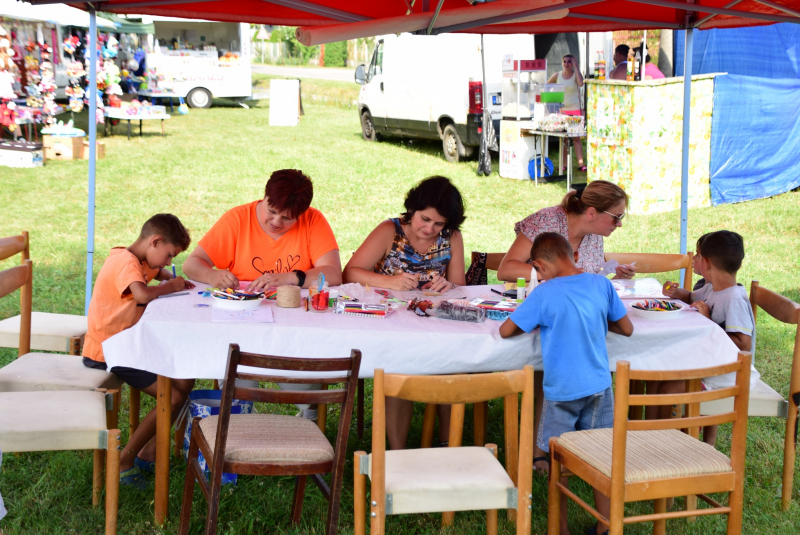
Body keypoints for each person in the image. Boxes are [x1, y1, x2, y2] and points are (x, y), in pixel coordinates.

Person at [497, 180, 635, 475]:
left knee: (557, 376)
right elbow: (506, 269)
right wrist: (554, 276)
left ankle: (566, 456)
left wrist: (611, 268)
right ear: (592, 212)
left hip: (557, 319)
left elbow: (588, 273)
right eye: (616, 217)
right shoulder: (547, 221)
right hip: (540, 310)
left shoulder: (595, 236)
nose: (619, 224)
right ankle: (545, 454)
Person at [500, 233, 633, 535]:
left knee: (556, 461)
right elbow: (626, 328)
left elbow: (507, 330)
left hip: (561, 391)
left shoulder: (544, 294)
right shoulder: (602, 284)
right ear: (573, 254)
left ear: (538, 266)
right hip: (600, 385)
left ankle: (558, 528)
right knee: (601, 457)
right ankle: (607, 525)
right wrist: (593, 317)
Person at [343, 176, 466, 449]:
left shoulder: (452, 237)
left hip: (432, 322)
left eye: (439, 224)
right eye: (425, 219)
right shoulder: (390, 230)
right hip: (390, 322)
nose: (430, 228)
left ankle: (448, 443)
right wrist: (390, 281)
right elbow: (350, 272)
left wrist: (447, 285)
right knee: (397, 367)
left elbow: (460, 286)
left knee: (452, 363)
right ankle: (397, 451)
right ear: (413, 209)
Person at [82, 214, 196, 487]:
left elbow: (159, 272)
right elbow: (143, 294)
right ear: (155, 241)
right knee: (172, 395)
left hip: (130, 344)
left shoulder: (143, 260)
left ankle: (149, 453)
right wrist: (171, 286)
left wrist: (168, 275)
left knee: (185, 376)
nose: (169, 262)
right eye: (169, 255)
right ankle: (124, 460)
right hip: (110, 350)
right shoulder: (126, 262)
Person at [662, 230, 755, 446]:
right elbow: (691, 297)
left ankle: (676, 446)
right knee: (663, 379)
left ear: (706, 262)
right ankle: (656, 440)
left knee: (668, 388)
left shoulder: (734, 298)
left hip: (728, 376)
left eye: (698, 256)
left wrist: (708, 321)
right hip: (711, 364)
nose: (694, 259)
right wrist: (676, 293)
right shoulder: (713, 288)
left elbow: (744, 344)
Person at [183, 169, 342, 291]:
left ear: (302, 214)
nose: (276, 222)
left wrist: (290, 278)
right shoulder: (237, 219)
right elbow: (191, 264)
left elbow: (334, 274)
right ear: (264, 197)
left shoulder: (312, 219)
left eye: (287, 218)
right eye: (272, 211)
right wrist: (212, 276)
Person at [547, 54, 585, 171]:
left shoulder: (575, 74)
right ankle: (564, 165)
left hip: (575, 110)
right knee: (564, 138)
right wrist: (553, 97)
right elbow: (546, 85)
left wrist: (577, 68)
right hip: (562, 111)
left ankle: (581, 164)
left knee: (576, 138)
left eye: (570, 62)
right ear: (562, 63)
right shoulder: (557, 75)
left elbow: (581, 83)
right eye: (565, 61)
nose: (567, 64)